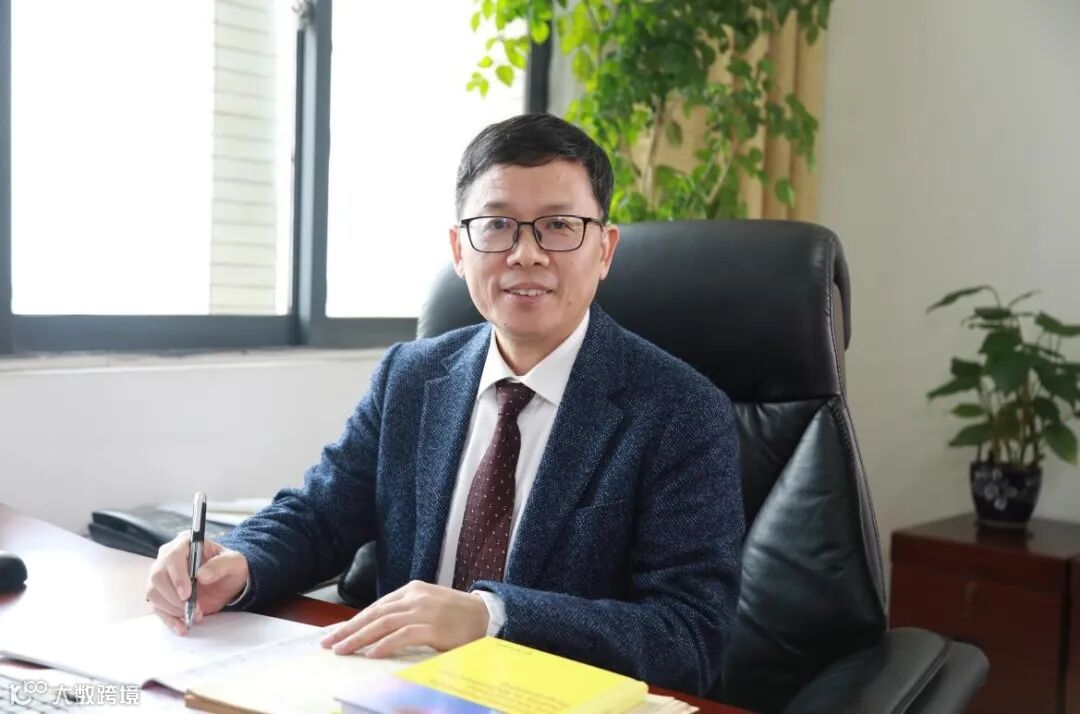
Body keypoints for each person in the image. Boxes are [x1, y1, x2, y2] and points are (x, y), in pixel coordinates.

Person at [145, 113, 743, 695]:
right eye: (498, 225)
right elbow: (320, 514)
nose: (526, 254)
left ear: (605, 250)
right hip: (387, 689)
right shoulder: (411, 376)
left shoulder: (682, 412)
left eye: (559, 226)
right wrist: (238, 562)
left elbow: (689, 635)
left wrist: (491, 617)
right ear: (460, 249)